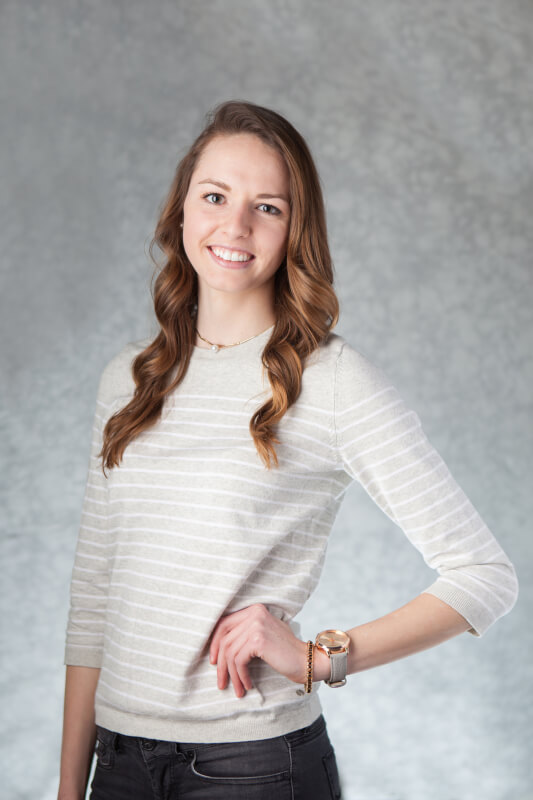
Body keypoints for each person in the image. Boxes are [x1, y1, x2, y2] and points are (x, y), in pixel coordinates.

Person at [57, 100, 519, 800]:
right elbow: (93, 596)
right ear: (181, 211)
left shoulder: (329, 381)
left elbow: (484, 575)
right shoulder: (128, 378)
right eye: (215, 196)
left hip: (252, 769)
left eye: (267, 207)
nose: (234, 226)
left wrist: (320, 658)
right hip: (117, 764)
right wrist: (71, 785)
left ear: (293, 230)